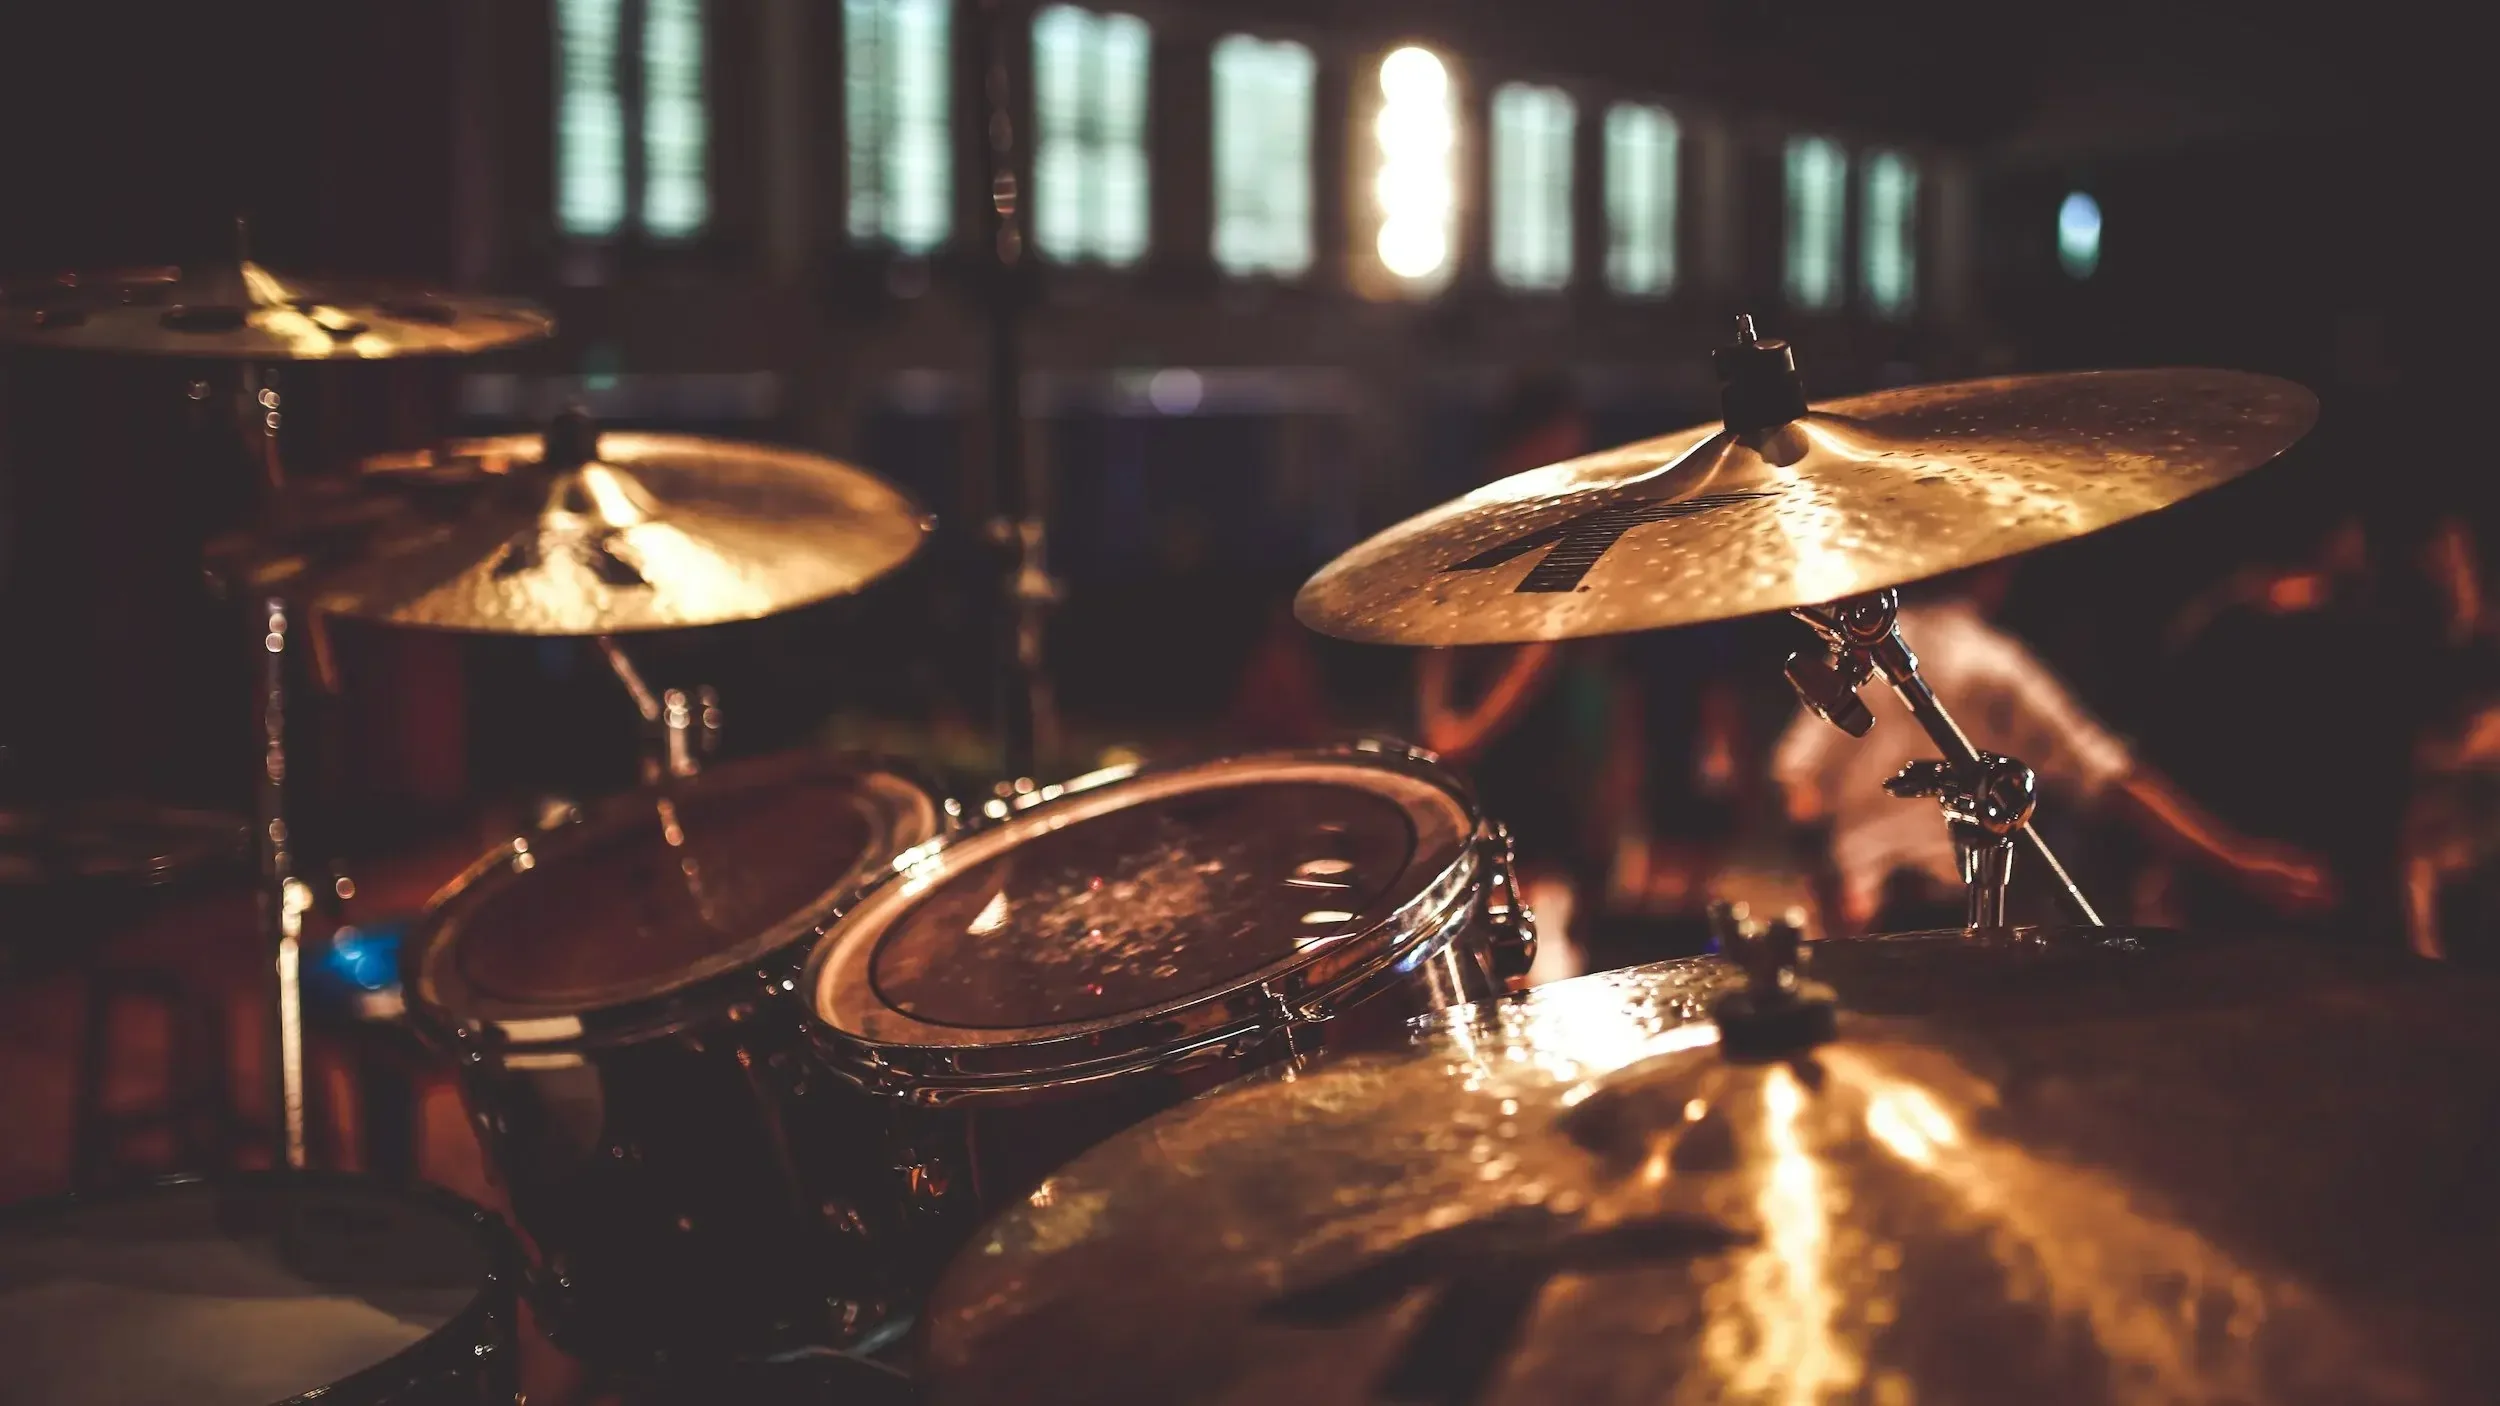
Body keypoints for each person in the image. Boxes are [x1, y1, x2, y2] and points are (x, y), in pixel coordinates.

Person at [1773, 563, 2335, 934]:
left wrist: (1830, 902)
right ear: (1992, 568)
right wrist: (2238, 861)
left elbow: (1798, 790)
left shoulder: (1862, 661)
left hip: (1867, 916)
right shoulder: (1993, 663)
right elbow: (2111, 777)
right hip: (1964, 915)